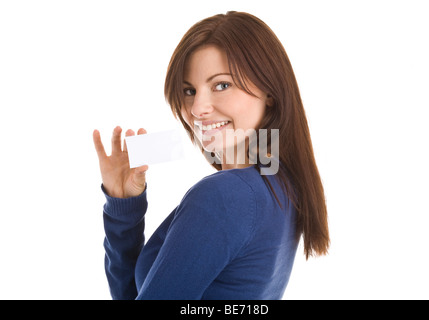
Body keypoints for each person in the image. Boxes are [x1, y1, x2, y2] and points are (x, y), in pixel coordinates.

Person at [93, 11, 329, 300]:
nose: (197, 108)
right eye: (189, 90)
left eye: (221, 85)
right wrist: (124, 205)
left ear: (270, 92)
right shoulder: (281, 183)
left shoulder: (223, 195)